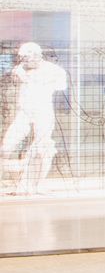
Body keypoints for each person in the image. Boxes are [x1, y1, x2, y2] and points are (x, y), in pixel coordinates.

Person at [2, 41, 69, 195]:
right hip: (23, 113)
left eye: (27, 58)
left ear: (37, 56)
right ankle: (20, 178)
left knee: (42, 149)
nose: (24, 61)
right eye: (22, 59)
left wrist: (39, 81)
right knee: (6, 146)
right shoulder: (19, 69)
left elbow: (61, 86)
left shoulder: (54, 71)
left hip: (43, 112)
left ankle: (35, 184)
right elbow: (14, 85)